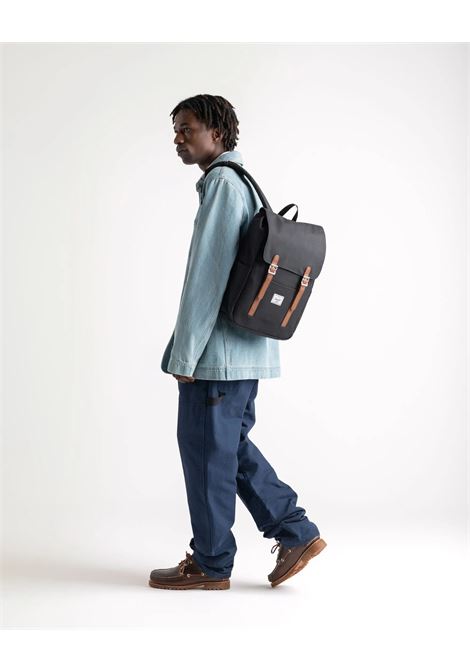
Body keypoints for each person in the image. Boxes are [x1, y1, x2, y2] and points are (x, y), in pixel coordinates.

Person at [149, 94, 326, 590]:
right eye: (176, 130)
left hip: (217, 358)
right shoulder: (239, 181)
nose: (178, 138)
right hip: (244, 352)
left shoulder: (224, 184)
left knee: (207, 452)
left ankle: (211, 563)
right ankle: (295, 531)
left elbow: (206, 280)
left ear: (218, 133)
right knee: (227, 447)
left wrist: (185, 355)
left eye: (187, 128)